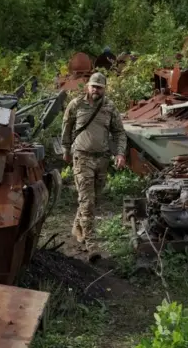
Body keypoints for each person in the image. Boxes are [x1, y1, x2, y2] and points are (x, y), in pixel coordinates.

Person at [61, 72, 127, 252]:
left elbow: (119, 133)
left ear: (105, 88)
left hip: (103, 159)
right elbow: (66, 127)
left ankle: (78, 227)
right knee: (87, 202)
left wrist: (120, 154)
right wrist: (66, 149)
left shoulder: (110, 107)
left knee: (93, 199)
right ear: (87, 86)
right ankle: (92, 245)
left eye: (100, 87)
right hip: (82, 157)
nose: (96, 89)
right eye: (93, 86)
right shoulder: (76, 105)